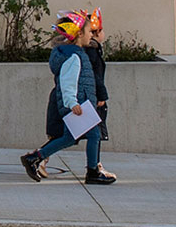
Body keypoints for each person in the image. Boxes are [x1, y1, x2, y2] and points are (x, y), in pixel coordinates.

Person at [20, 11, 114, 184]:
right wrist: (72, 103)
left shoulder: (78, 54)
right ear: (79, 35)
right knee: (93, 135)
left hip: (80, 104)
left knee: (71, 138)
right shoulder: (74, 57)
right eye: (89, 32)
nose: (91, 35)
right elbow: (67, 82)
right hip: (78, 105)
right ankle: (92, 171)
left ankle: (35, 158)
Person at [84, 6, 110, 137]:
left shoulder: (93, 51)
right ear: (97, 32)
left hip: (92, 94)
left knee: (95, 134)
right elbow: (94, 74)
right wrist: (101, 95)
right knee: (95, 133)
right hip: (92, 95)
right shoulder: (92, 51)